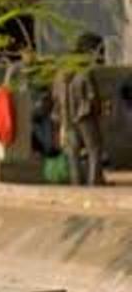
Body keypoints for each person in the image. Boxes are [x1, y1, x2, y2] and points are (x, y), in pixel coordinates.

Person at [52, 33, 107, 186]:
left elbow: (55, 97)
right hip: (85, 115)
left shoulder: (59, 75)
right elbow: (92, 96)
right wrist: (98, 110)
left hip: (67, 117)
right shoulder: (85, 73)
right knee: (94, 148)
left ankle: (76, 181)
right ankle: (95, 180)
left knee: (73, 152)